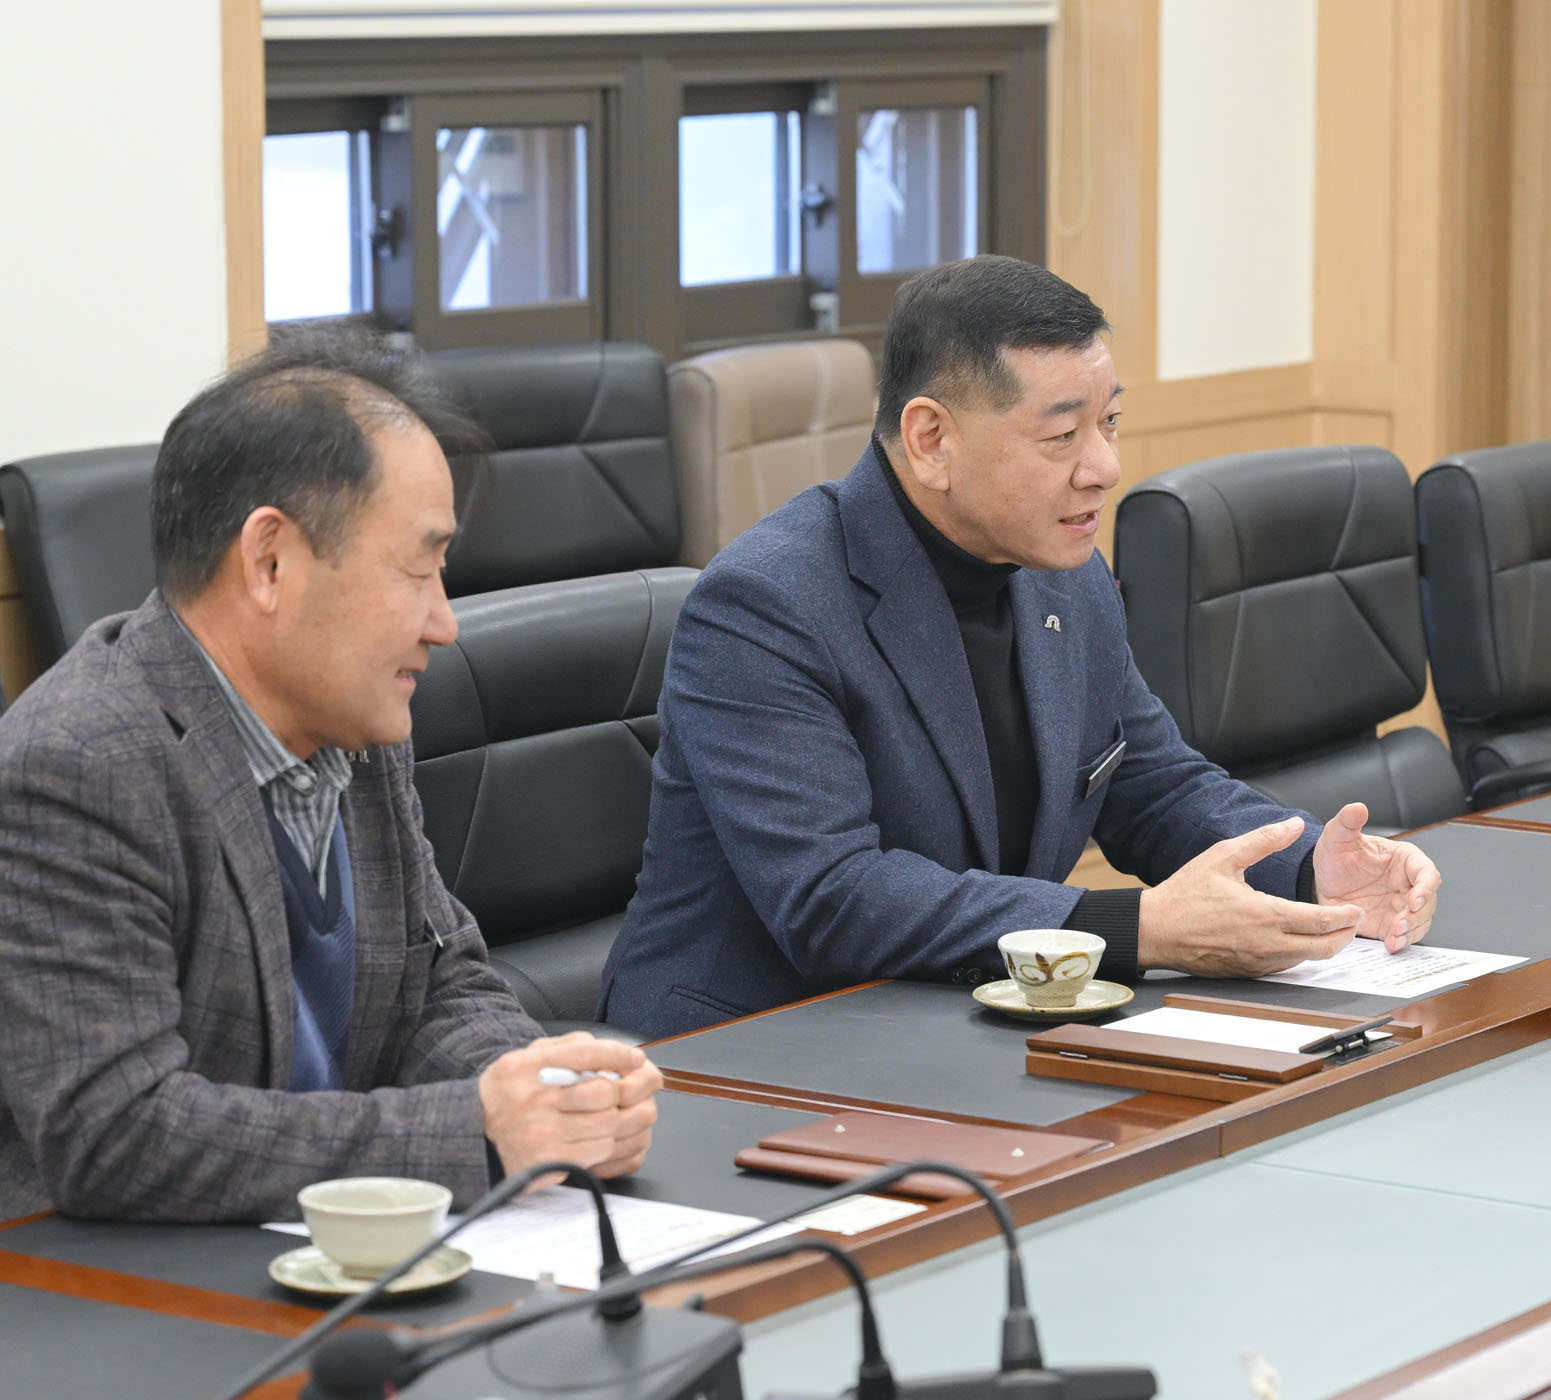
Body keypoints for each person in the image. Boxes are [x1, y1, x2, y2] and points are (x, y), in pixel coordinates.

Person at [603, 256, 1442, 1038]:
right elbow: (834, 898)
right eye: (1062, 436)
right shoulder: (764, 605)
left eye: (1110, 422)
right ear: (931, 440)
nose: (1104, 467)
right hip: (752, 1048)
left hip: (954, 1021)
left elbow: (1150, 784)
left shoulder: (1064, 573)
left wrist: (1309, 869)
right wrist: (1137, 929)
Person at [0, 329, 661, 1223]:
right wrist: (475, 1131)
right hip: (113, 1278)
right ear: (269, 562)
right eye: (417, 569)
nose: (444, 622)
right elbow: (115, 1132)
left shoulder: (357, 723)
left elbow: (440, 983)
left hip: (320, 1242)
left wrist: (544, 1093)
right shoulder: (79, 763)